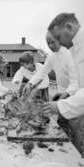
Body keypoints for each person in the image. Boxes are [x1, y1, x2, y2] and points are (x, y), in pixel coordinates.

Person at [42, 13, 84, 156]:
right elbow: (79, 85)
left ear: (69, 27)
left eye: (58, 38)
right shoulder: (74, 48)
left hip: (76, 107)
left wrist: (61, 105)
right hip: (72, 100)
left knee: (77, 136)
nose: (59, 43)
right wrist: (66, 94)